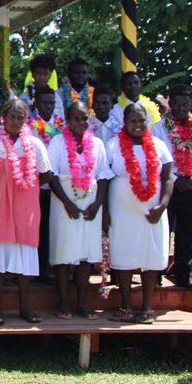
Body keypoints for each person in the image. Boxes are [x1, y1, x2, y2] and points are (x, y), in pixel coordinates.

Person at [0, 98, 52, 325]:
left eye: (20, 117)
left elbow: (46, 173)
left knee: (25, 257)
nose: (15, 121)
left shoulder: (35, 144)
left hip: (25, 208)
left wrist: (27, 189)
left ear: (26, 119)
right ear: (3, 117)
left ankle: (24, 307)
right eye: (12, 116)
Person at [107, 103, 174, 323]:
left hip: (152, 210)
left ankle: (147, 307)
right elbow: (104, 180)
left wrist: (163, 205)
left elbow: (167, 178)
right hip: (122, 210)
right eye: (132, 121)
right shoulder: (113, 145)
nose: (137, 125)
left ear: (148, 121)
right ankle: (126, 306)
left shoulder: (158, 145)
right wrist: (105, 212)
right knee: (124, 253)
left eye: (141, 121)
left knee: (150, 254)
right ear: (125, 123)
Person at [47, 102, 112, 320]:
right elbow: (51, 175)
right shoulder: (57, 142)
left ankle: (82, 303)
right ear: (67, 119)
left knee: (85, 254)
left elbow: (103, 176)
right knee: (64, 252)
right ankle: (64, 302)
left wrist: (98, 204)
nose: (81, 122)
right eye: (76, 118)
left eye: (85, 118)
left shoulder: (97, 143)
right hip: (64, 203)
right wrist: (66, 202)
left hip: (90, 204)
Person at [153, 84, 192, 293]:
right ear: (170, 104)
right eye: (176, 104)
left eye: (184, 104)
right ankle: (156, 275)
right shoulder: (158, 129)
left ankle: (183, 276)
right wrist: (175, 180)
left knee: (187, 233)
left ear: (191, 105)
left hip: (191, 186)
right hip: (168, 186)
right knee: (163, 231)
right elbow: (156, 158)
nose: (180, 108)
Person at [28, 85, 64, 282]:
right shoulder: (30, 126)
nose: (49, 106)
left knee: (53, 230)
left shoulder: (61, 126)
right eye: (45, 103)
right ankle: (36, 270)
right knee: (38, 229)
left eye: (52, 103)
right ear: (36, 104)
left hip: (57, 186)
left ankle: (48, 270)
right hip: (38, 186)